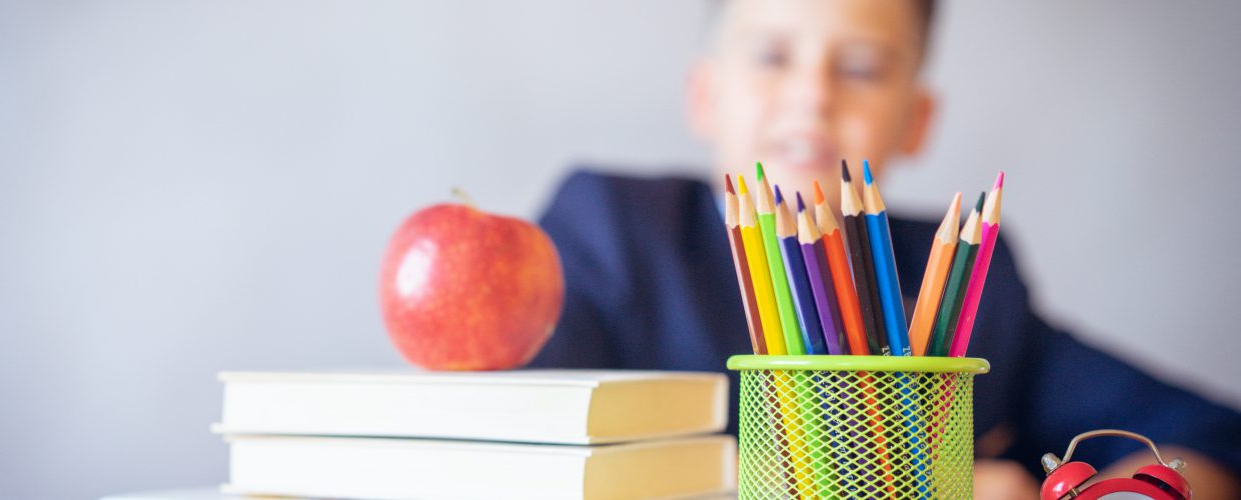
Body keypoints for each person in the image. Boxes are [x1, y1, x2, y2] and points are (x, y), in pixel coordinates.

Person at [530, 0, 1241, 497]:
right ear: (704, 96)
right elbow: (521, 447)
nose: (812, 95)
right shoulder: (612, 227)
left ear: (915, 120)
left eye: (863, 67)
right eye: (773, 56)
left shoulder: (969, 280)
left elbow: (1204, 434)